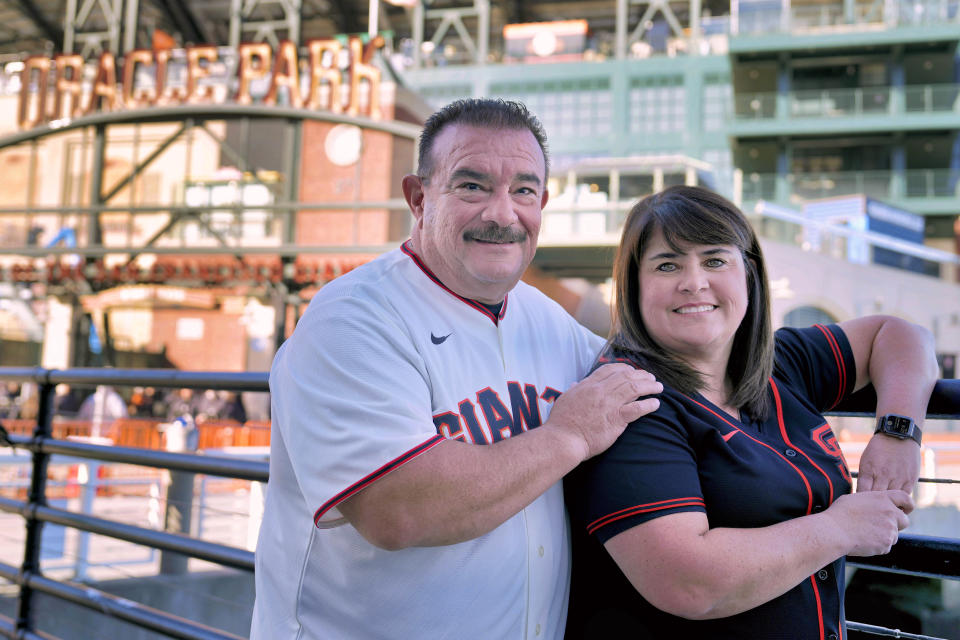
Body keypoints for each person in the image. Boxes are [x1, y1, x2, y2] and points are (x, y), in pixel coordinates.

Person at [250, 98, 663, 640]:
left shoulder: (547, 320)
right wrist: (570, 436)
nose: (502, 214)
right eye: (472, 186)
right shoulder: (352, 318)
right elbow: (396, 508)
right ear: (419, 198)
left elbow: (660, 381)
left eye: (523, 191)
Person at [564, 185, 939, 639]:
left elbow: (900, 336)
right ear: (634, 285)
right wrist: (838, 530)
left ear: (749, 274)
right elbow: (688, 582)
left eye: (715, 260)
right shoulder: (630, 399)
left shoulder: (780, 363)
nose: (694, 282)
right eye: (667, 265)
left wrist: (898, 434)